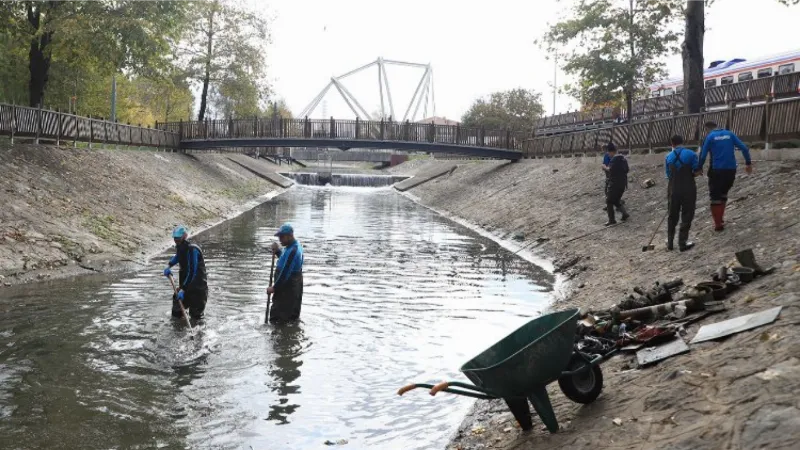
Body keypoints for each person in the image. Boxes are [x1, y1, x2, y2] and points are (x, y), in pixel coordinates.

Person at [698, 121, 753, 231]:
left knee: (715, 197)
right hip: (731, 170)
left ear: (707, 129)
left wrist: (699, 167)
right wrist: (748, 163)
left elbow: (703, 155)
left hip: (717, 170)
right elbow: (744, 148)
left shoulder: (710, 137)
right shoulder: (730, 134)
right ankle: (721, 219)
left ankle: (718, 224)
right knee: (723, 194)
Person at [163, 226, 208, 320]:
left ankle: (198, 331)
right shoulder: (181, 247)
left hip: (198, 289)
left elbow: (192, 271)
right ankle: (177, 328)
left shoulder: (192, 250)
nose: (176, 240)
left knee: (196, 318)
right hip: (185, 287)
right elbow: (178, 256)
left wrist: (183, 289)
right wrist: (169, 266)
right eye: (175, 238)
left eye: (178, 238)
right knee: (176, 311)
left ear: (184, 237)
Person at [665, 135, 700, 251]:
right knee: (687, 215)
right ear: (682, 142)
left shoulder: (668, 157)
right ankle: (682, 243)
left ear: (672, 144)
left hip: (673, 189)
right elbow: (696, 171)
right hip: (688, 188)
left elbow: (669, 175)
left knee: (672, 216)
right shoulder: (691, 154)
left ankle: (670, 243)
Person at [266, 224, 304, 323]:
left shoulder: (294, 250)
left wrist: (274, 288)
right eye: (279, 237)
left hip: (288, 287)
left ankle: (279, 336)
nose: (280, 240)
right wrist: (278, 251)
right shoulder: (289, 247)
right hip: (287, 286)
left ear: (290, 236)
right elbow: (284, 259)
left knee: (279, 317)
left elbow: (286, 272)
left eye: (282, 237)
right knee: (287, 315)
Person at [604, 144, 630, 226]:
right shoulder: (623, 158)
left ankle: (612, 220)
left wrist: (604, 167)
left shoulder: (614, 159)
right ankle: (625, 214)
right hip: (623, 183)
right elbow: (627, 170)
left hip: (615, 184)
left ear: (611, 152)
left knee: (609, 201)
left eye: (608, 152)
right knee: (616, 200)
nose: (608, 154)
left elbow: (610, 170)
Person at [602, 143, 625, 212]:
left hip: (612, 176)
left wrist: (605, 167)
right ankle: (618, 205)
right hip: (613, 176)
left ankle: (616, 205)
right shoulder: (609, 155)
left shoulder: (610, 156)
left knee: (609, 191)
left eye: (603, 149)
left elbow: (609, 167)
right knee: (610, 191)